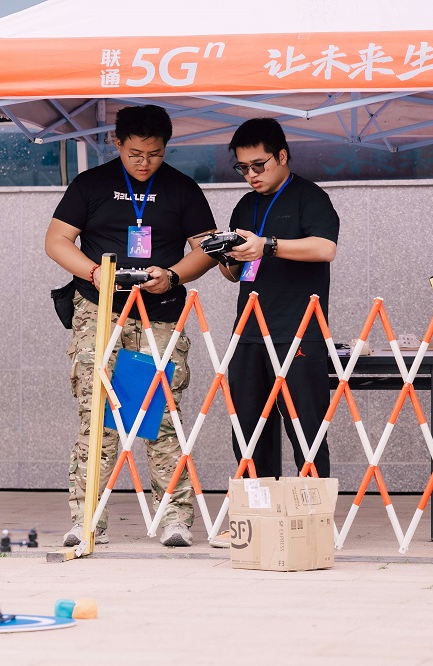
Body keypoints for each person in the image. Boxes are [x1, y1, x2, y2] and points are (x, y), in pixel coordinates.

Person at [45, 105, 218, 547]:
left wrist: (175, 274)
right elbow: (56, 240)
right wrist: (93, 272)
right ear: (117, 144)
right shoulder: (91, 184)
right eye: (135, 153)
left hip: (159, 312)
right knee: (96, 413)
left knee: (158, 413)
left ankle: (174, 518)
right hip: (98, 309)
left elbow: (206, 250)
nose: (144, 163)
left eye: (155, 154)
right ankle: (86, 518)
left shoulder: (182, 189)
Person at [211, 118, 339, 547]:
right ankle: (254, 517)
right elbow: (237, 274)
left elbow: (325, 248)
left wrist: (267, 245)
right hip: (247, 330)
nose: (252, 174)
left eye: (259, 164)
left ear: (283, 156)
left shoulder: (310, 197)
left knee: (304, 425)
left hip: (298, 330)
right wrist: (220, 254)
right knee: (247, 426)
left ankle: (313, 519)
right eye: (243, 168)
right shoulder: (245, 206)